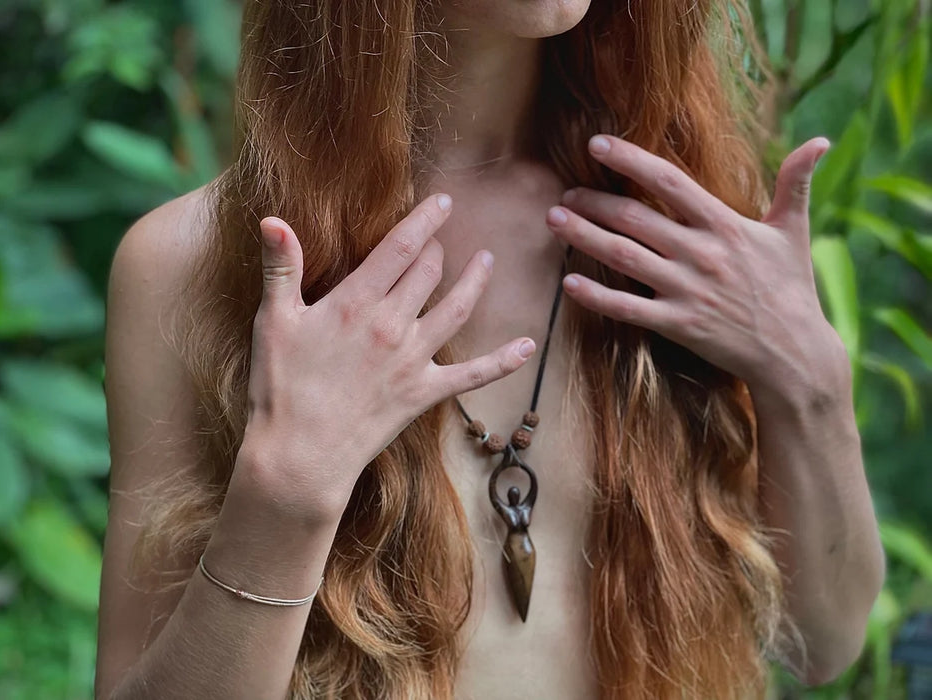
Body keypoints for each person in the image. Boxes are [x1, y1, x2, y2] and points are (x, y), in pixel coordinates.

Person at [95, 1, 886, 698]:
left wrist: (807, 384)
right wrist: (284, 500)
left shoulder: (676, 226)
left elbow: (823, 643)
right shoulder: (191, 267)